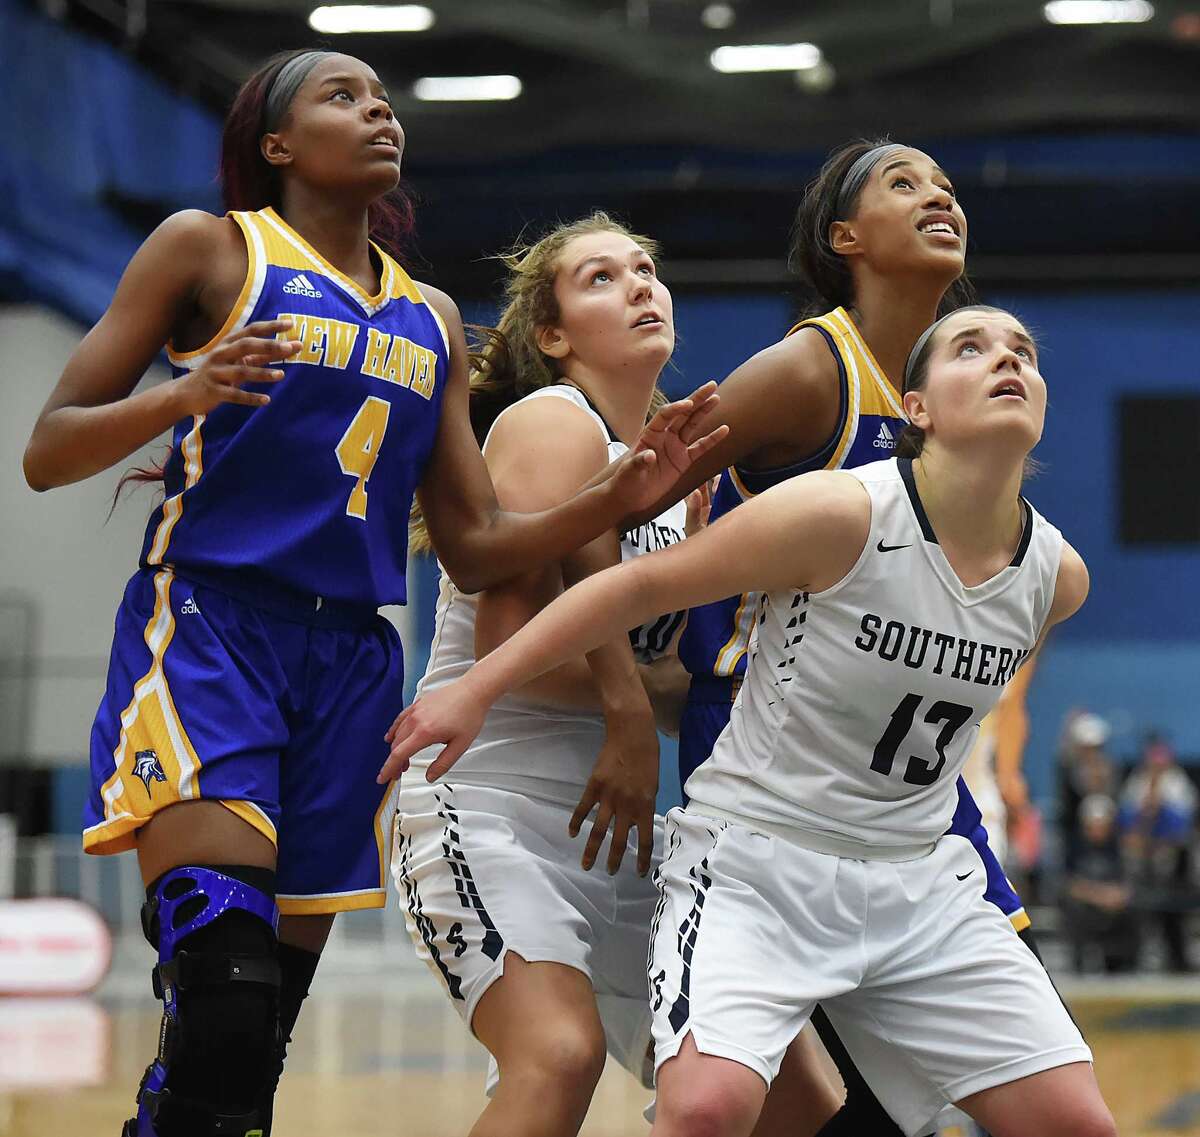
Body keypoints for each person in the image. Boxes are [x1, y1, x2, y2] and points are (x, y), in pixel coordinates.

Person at [21, 50, 721, 1137]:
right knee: (225, 994)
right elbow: (48, 451)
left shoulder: (427, 314)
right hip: (211, 629)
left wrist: (620, 497)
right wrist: (184, 393)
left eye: (384, 98)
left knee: (252, 1050)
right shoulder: (209, 248)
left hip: (352, 660)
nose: (377, 110)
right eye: (342, 97)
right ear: (277, 143)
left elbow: (480, 547)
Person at [380, 305, 1116, 1137]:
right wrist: (476, 689)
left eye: (1023, 349)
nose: (1006, 359)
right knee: (705, 1108)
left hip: (916, 877)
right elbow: (635, 589)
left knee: (1076, 1125)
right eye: (972, 348)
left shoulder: (1059, 578)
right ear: (917, 407)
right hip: (762, 862)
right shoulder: (839, 513)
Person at [570, 138, 1032, 1135]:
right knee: (841, 1102)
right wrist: (623, 701)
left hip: (907, 779)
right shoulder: (809, 371)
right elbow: (621, 504)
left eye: (947, 187)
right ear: (845, 237)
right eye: (904, 186)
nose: (938, 197)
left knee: (1003, 1059)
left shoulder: (963, 385)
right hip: (770, 761)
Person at [394, 212, 707, 1137]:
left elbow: (677, 677)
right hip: (485, 802)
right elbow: (512, 639)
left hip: (615, 823)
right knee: (557, 1055)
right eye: (603, 278)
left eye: (648, 269)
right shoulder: (551, 419)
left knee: (768, 1082)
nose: (642, 285)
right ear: (553, 334)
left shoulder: (676, 472)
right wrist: (631, 706)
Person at [1063, 794, 1138, 973]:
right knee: (1073, 907)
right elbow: (1069, 884)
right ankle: (1079, 963)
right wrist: (1099, 896)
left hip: (1114, 903)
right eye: (1092, 826)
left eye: (1101, 826)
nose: (1096, 831)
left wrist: (1117, 895)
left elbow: (1128, 883)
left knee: (1134, 908)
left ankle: (1124, 964)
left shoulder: (1118, 848)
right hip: (1087, 904)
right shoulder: (1074, 848)